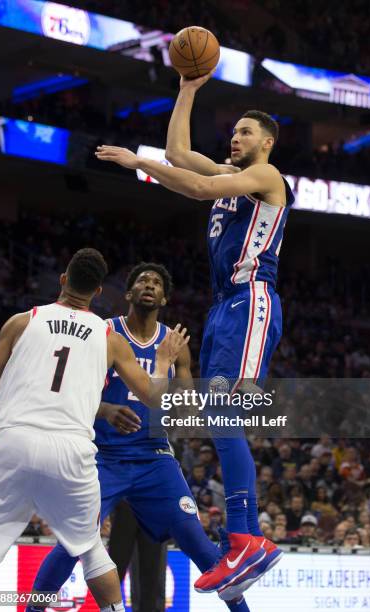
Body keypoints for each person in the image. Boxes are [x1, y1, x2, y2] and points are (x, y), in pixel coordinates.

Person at [95, 68, 293, 600]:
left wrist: (140, 165)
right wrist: (187, 88)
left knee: (227, 415)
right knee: (218, 417)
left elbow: (200, 184)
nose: (236, 137)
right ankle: (244, 537)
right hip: (223, 309)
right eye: (235, 131)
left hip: (250, 298)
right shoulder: (232, 180)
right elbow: (181, 156)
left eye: (247, 132)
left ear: (268, 144)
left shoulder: (267, 179)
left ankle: (246, 536)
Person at [27, 262, 250, 612]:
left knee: (199, 543)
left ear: (164, 297)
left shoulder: (175, 345)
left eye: (157, 282)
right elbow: (68, 390)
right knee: (72, 542)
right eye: (142, 280)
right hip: (103, 459)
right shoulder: (103, 333)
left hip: (154, 459)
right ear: (128, 294)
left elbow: (186, 413)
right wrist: (105, 411)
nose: (149, 285)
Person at [0, 249, 187, 612]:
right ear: (99, 292)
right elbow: (155, 397)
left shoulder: (22, 321)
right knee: (92, 551)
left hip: (13, 439)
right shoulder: (109, 336)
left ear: (63, 280)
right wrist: (162, 362)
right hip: (71, 449)